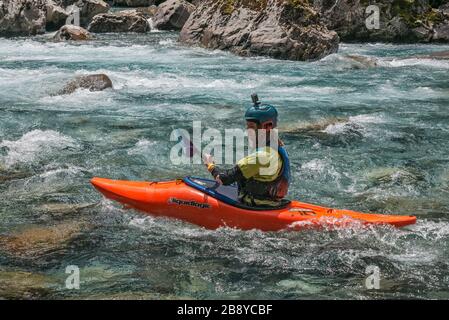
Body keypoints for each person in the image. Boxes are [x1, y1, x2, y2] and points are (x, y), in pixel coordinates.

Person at [203, 94, 290, 208]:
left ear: (267, 127)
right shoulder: (277, 145)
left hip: (256, 206)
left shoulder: (261, 156)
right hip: (272, 203)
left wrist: (210, 165)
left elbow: (224, 178)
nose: (247, 131)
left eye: (251, 127)